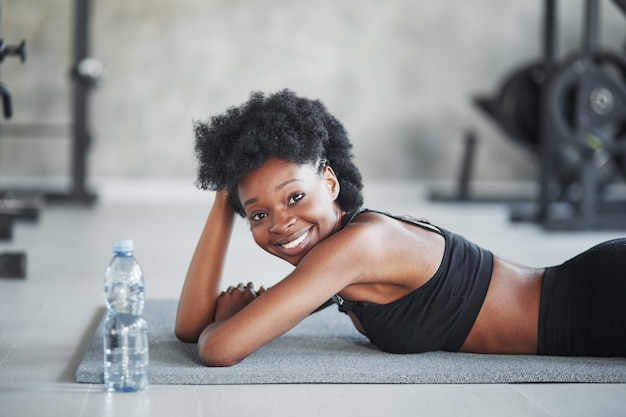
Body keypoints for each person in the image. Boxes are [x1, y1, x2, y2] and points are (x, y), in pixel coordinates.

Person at [175, 89, 626, 367]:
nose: (281, 223)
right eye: (257, 214)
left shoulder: (356, 248)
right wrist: (224, 197)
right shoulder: (337, 255)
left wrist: (231, 320)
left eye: (295, 197)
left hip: (602, 300)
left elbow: (217, 348)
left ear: (330, 182)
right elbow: (191, 330)